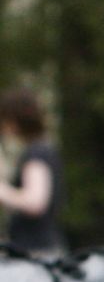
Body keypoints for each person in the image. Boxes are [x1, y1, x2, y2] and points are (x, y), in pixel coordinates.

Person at [0, 87, 65, 256]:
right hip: (41, 249)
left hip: (35, 254)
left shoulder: (36, 153)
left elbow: (35, 202)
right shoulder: (45, 149)